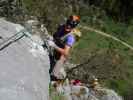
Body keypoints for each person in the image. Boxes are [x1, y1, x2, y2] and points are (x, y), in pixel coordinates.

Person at [48, 15, 81, 80]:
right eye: (68, 23)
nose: (68, 26)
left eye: (71, 25)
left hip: (60, 53)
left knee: (62, 57)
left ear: (73, 26)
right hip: (55, 48)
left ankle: (54, 76)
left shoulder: (70, 37)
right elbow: (56, 35)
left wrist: (53, 46)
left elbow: (65, 52)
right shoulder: (62, 27)